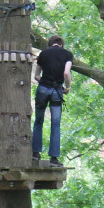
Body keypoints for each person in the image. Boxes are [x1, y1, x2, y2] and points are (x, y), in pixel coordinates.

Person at [31, 35, 73, 168]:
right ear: (61, 44)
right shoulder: (67, 55)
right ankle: (54, 158)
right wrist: (67, 87)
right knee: (55, 124)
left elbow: (36, 76)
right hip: (56, 91)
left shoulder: (43, 54)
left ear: (50, 44)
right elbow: (66, 73)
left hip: (43, 89)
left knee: (39, 121)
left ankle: (35, 153)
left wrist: (44, 81)